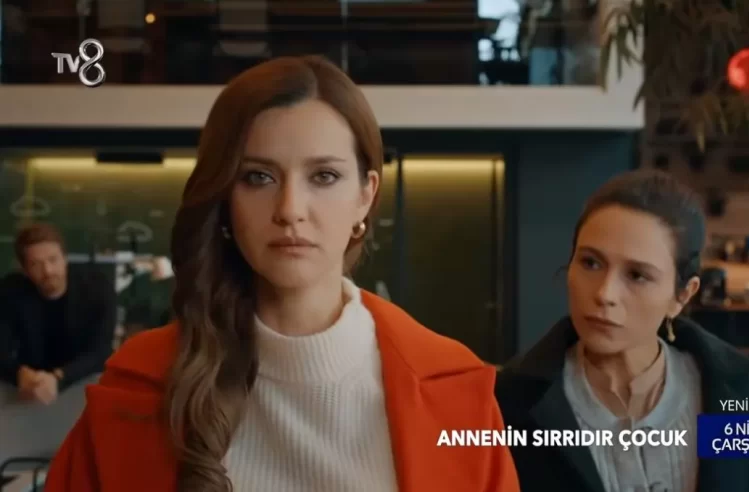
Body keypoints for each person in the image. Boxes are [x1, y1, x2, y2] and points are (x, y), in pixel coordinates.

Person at [45, 56, 519, 492]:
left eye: (324, 176)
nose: (290, 209)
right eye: (258, 177)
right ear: (225, 197)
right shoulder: (137, 387)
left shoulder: (457, 391)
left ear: (366, 195)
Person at [495, 170, 749, 491]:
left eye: (637, 275)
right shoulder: (513, 402)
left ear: (682, 295)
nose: (605, 293)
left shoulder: (740, 392)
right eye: (590, 263)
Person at [0, 223, 116, 405]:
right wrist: (17, 373)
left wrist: (60, 377)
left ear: (65, 258)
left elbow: (102, 351)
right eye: (36, 264)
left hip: (84, 385)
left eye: (53, 260)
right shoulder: (10, 292)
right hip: (30, 392)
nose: (48, 271)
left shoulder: (96, 287)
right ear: (24, 270)